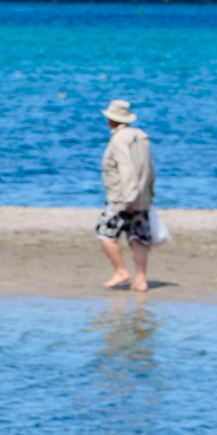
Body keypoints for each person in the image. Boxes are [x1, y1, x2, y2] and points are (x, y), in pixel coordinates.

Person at [97, 99, 156, 292]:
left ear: (112, 120)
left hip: (122, 197)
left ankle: (121, 271)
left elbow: (126, 167)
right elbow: (150, 167)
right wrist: (149, 193)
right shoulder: (141, 136)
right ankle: (141, 279)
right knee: (137, 236)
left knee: (104, 232)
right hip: (142, 196)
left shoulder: (119, 139)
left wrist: (128, 198)